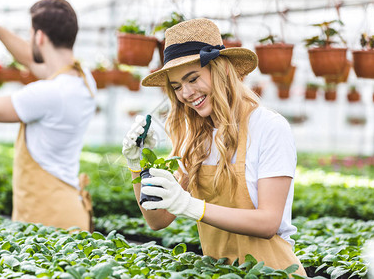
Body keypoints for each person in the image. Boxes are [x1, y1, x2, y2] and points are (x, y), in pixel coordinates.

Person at [122, 18, 306, 275]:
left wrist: (190, 206)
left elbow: (268, 222)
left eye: (193, 78)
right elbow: (157, 219)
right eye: (176, 86)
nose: (186, 93)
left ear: (223, 70)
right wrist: (138, 164)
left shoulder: (269, 127)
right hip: (219, 272)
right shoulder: (195, 138)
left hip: (272, 271)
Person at [0, 0, 96, 232]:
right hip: (71, 212)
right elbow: (30, 58)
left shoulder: (48, 93)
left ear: (39, 37)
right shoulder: (84, 78)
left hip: (47, 220)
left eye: (30, 34)